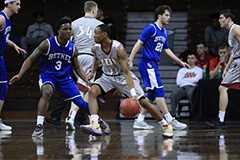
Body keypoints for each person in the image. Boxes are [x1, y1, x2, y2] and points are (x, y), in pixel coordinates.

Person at [8, 18, 108, 137]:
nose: (68, 31)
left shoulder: (72, 48)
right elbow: (31, 58)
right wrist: (20, 74)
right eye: (65, 29)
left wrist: (86, 79)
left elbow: (77, 68)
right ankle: (39, 126)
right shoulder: (47, 44)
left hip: (65, 79)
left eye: (70, 29)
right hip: (48, 76)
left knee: (80, 103)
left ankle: (97, 119)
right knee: (47, 92)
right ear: (58, 30)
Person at [80, 24, 174, 138]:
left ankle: (165, 125)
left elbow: (126, 72)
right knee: (92, 91)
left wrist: (133, 95)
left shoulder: (118, 48)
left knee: (144, 102)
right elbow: (96, 57)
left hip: (122, 77)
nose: (94, 36)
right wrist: (92, 73)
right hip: (107, 77)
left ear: (104, 35)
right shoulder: (95, 47)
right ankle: (95, 124)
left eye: (96, 33)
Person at [128, 5, 189, 130]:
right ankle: (169, 119)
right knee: (159, 91)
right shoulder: (151, 28)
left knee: (151, 94)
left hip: (153, 64)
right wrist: (130, 59)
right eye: (166, 15)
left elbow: (166, 50)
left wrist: (179, 62)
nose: (169, 18)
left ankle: (139, 120)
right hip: (146, 63)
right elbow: (138, 43)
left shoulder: (165, 32)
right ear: (159, 16)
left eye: (169, 16)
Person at [62, 1, 104, 130]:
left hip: (75, 56)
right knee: (82, 88)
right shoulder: (99, 24)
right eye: (96, 11)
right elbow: (103, 42)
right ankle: (71, 116)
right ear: (93, 11)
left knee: (85, 88)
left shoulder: (74, 23)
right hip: (90, 57)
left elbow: (67, 40)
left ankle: (88, 118)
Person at [205, 9, 240, 129]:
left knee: (222, 87)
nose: (219, 21)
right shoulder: (231, 31)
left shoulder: (235, 29)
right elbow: (233, 52)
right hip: (236, 60)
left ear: (228, 19)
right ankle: (220, 119)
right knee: (223, 88)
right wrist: (227, 68)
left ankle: (221, 120)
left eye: (221, 18)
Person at [0, 0, 26, 130]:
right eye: (17, 4)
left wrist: (14, 45)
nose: (19, 7)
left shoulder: (7, 19)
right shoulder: (1, 18)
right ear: (9, 4)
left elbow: (3, 37)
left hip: (1, 58)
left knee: (3, 88)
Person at [170, 52, 203, 117]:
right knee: (174, 94)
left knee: (191, 94)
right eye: (189, 58)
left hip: (192, 87)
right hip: (182, 88)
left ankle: (194, 114)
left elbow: (197, 80)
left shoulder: (199, 70)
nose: (190, 60)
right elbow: (178, 82)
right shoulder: (182, 70)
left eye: (192, 58)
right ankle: (173, 115)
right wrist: (191, 81)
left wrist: (185, 81)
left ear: (196, 59)